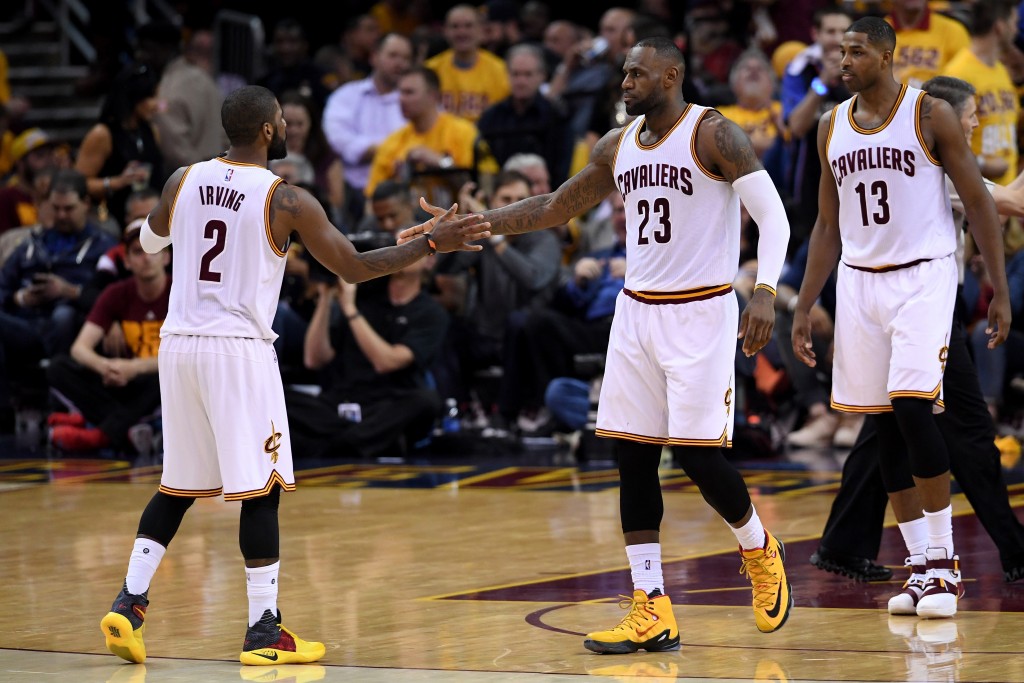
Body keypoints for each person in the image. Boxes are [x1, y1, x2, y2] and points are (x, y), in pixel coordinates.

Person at [400, 36, 793, 652]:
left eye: (638, 72)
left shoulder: (714, 134)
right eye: (624, 71)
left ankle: (759, 550)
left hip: (700, 311)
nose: (626, 80)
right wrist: (473, 227)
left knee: (696, 457)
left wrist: (765, 289)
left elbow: (774, 217)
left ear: (672, 75)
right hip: (636, 313)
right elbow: (556, 208)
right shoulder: (617, 145)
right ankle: (650, 603)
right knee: (632, 456)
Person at [97, 84, 491, 666]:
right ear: (266, 130)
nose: (284, 129)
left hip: (179, 346)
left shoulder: (182, 179)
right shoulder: (286, 199)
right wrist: (432, 242)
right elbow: (353, 268)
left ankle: (129, 604)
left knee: (177, 485)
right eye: (281, 121)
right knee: (263, 488)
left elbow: (149, 237)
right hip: (238, 351)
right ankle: (263, 633)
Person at [792, 17, 1011, 620]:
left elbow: (978, 202)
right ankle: (918, 567)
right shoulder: (831, 125)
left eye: (856, 51)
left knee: (914, 407)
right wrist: (806, 303)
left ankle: (944, 565)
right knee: (884, 425)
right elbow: (828, 226)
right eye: (841, 51)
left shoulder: (929, 115)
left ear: (886, 56)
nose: (844, 60)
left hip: (924, 274)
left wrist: (997, 288)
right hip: (860, 282)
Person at [46, 219, 169, 453]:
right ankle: (132, 428)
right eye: (138, 252)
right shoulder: (116, 293)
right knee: (58, 367)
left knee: (168, 375)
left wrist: (136, 367)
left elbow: (192, 355)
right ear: (127, 261)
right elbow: (79, 349)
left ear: (166, 257)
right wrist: (106, 367)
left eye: (154, 250)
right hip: (121, 382)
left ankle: (101, 434)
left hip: (157, 383)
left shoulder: (181, 293)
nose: (146, 257)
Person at [322, 32, 414, 227]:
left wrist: (380, 151)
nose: (400, 63)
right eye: (393, 55)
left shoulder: (415, 98)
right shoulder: (346, 95)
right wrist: (390, 151)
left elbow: (423, 141)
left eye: (406, 58)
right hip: (353, 191)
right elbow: (337, 139)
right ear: (374, 57)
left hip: (404, 191)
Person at [941, 2, 1019, 185]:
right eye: (1013, 23)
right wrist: (984, 165)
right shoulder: (958, 72)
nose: (1016, 30)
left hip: (1006, 199)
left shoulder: (1000, 70)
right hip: (974, 200)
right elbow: (944, 143)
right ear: (1000, 27)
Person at [424, 4, 510, 124]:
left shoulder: (500, 70)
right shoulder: (429, 70)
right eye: (455, 26)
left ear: (481, 30)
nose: (462, 32)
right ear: (445, 31)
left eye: (468, 26)